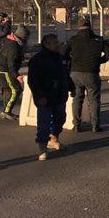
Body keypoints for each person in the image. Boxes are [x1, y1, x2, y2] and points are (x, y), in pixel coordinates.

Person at [63, 18, 109, 133]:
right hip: (92, 73)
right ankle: (95, 125)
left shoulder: (73, 40)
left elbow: (63, 53)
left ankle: (76, 124)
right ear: (90, 27)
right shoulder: (99, 40)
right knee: (94, 99)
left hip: (75, 73)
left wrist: (72, 60)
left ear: (79, 27)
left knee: (77, 98)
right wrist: (99, 61)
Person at [28, 33, 71, 161]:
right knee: (44, 123)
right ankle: (42, 147)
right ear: (47, 44)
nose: (58, 45)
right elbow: (33, 81)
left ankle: (54, 138)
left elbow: (65, 75)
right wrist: (40, 96)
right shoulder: (37, 60)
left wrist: (71, 87)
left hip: (59, 95)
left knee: (60, 118)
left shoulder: (60, 58)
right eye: (55, 43)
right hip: (45, 97)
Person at [0, 25, 30, 120]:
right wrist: (17, 76)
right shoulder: (13, 47)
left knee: (8, 90)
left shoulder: (6, 40)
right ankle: (6, 111)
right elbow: (11, 64)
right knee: (16, 90)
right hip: (5, 71)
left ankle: (6, 110)